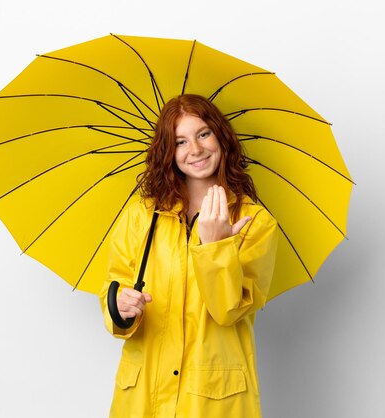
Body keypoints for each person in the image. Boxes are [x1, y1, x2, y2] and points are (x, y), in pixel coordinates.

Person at [99, 94, 279, 418]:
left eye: (203, 134)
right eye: (180, 141)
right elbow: (114, 285)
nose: (194, 150)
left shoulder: (256, 223)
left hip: (211, 400)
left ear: (221, 137)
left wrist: (215, 246)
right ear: (168, 152)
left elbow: (228, 310)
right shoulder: (143, 215)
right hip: (143, 396)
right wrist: (121, 308)